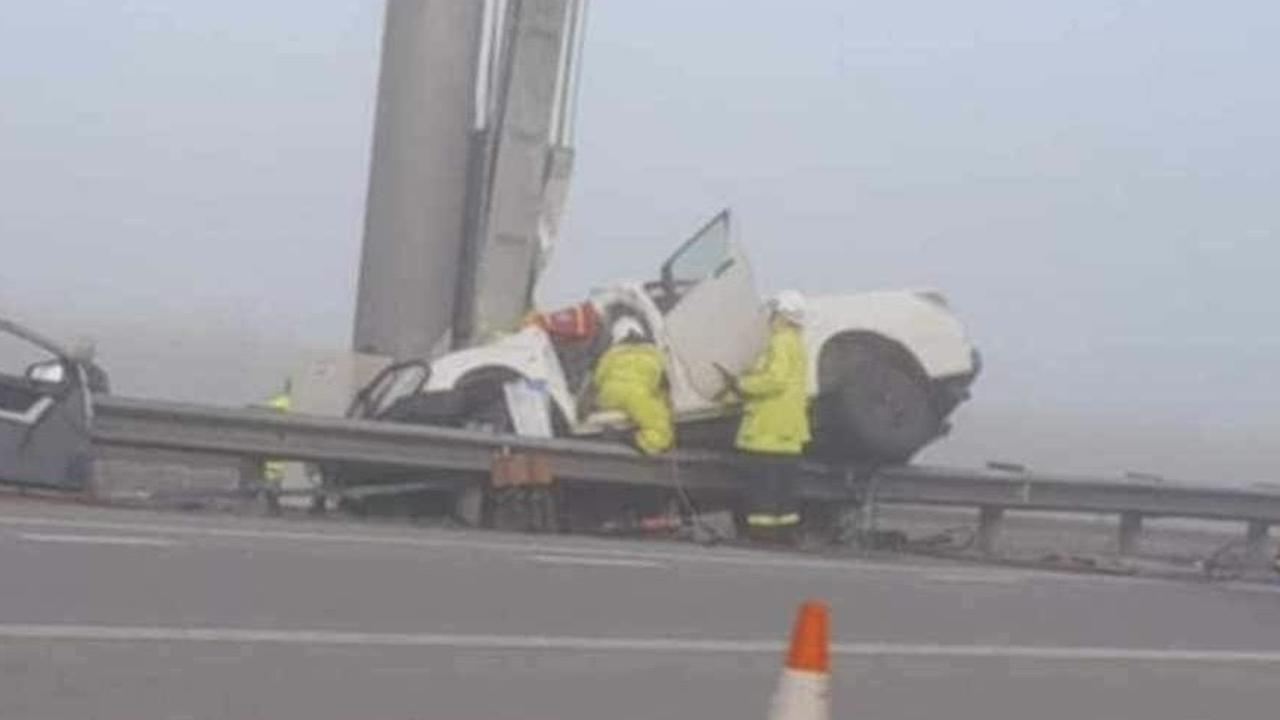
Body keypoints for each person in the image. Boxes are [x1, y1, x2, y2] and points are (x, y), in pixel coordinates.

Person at [721, 290, 811, 541]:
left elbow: (775, 379)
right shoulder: (796, 343)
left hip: (766, 430)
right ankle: (784, 534)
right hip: (787, 433)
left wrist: (741, 385)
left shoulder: (780, 341)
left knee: (762, 490)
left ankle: (761, 535)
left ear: (780, 314)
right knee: (784, 492)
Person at [592, 317, 674, 455]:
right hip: (636, 396)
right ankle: (622, 438)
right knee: (660, 436)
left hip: (608, 396)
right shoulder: (654, 354)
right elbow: (663, 385)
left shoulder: (609, 354)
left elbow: (598, 378)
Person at [261, 381, 292, 513]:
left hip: (270, 443)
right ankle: (274, 502)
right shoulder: (297, 402)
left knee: (271, 475)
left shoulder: (273, 402)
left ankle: (271, 501)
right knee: (279, 476)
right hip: (288, 444)